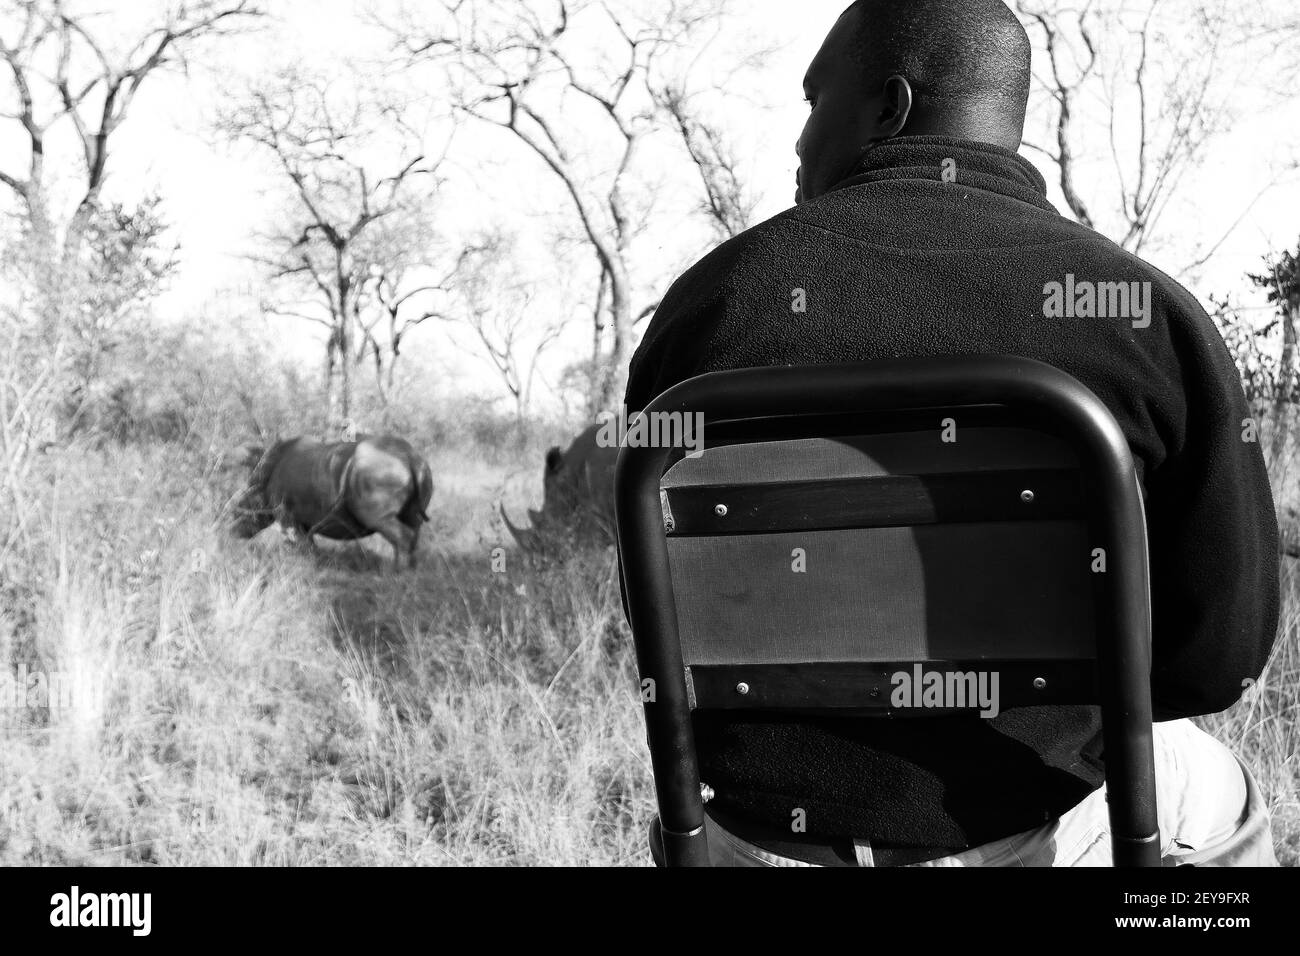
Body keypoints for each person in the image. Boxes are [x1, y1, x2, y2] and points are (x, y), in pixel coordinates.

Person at [626, 0, 1280, 866]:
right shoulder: (1141, 315)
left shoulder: (705, 308)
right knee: (1226, 801)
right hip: (1043, 821)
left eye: (815, 101)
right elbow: (1216, 663)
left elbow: (661, 611)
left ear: (890, 108)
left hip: (759, 835)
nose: (797, 140)